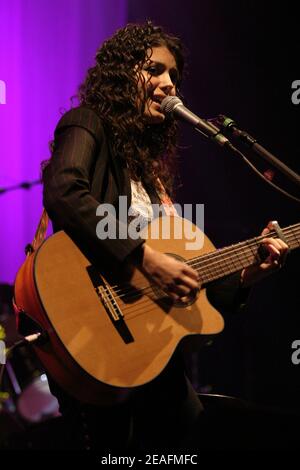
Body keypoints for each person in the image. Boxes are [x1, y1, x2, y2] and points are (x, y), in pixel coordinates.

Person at [41, 21, 288, 452]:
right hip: (93, 333)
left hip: (151, 352)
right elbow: (65, 189)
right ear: (122, 74)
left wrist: (249, 272)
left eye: (173, 75)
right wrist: (143, 258)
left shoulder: (151, 172)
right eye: (155, 70)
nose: (169, 84)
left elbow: (196, 278)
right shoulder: (87, 123)